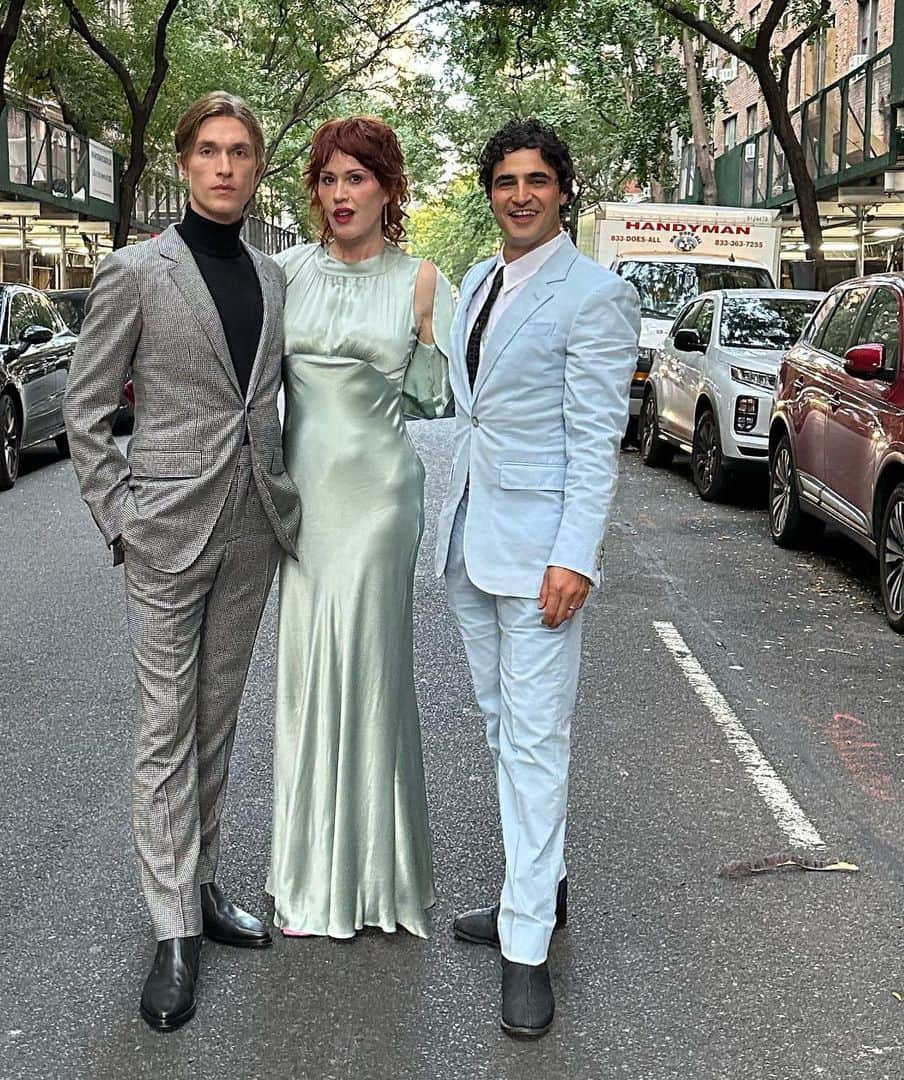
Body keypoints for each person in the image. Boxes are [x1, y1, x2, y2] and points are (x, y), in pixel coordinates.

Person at [63, 91, 300, 1032]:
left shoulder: (274, 276)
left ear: (256, 168)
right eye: (209, 151)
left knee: (213, 725)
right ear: (184, 163)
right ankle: (172, 932)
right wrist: (119, 518)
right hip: (162, 528)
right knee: (163, 728)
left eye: (241, 152)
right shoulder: (136, 271)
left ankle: (198, 886)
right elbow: (86, 410)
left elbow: (270, 405)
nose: (226, 167)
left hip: (250, 529)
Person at [434, 119, 639, 1037]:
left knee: (535, 742)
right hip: (473, 540)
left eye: (538, 180)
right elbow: (466, 409)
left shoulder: (596, 294)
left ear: (563, 191)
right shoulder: (479, 280)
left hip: (543, 556)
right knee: (498, 726)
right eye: (506, 181)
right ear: (492, 191)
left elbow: (596, 441)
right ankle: (539, 888)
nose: (521, 194)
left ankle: (526, 948)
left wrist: (576, 555)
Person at [265, 116, 454, 939]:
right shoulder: (283, 273)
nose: (341, 194)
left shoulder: (421, 280)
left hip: (379, 499)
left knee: (371, 672)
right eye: (329, 179)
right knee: (308, 672)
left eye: (358, 178)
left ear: (388, 188)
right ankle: (310, 876)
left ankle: (378, 877)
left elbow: (448, 396)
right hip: (303, 501)